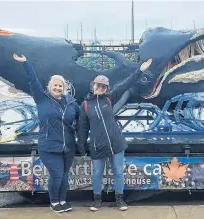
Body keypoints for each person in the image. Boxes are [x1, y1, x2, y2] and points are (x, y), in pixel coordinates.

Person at [77, 58, 152, 211]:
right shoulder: (85, 105)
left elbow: (126, 83)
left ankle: (120, 199)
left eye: (104, 86)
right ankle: (97, 200)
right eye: (98, 85)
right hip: (97, 146)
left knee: (118, 172)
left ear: (106, 88)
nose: (101, 88)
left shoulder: (109, 99)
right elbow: (82, 128)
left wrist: (140, 70)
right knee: (97, 173)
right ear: (93, 85)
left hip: (116, 143)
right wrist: (82, 146)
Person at [13, 53, 80, 213]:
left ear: (65, 89)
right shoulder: (42, 99)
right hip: (49, 146)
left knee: (64, 176)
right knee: (57, 174)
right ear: (50, 87)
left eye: (60, 86)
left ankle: (63, 199)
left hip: (68, 146)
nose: (57, 88)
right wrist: (26, 63)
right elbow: (33, 81)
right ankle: (54, 201)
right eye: (55, 85)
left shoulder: (71, 103)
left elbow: (81, 120)